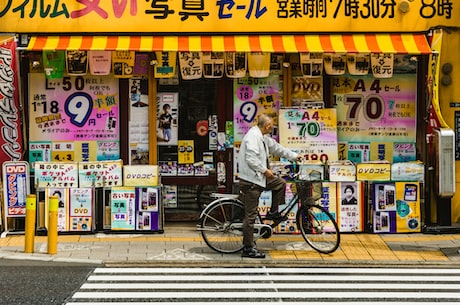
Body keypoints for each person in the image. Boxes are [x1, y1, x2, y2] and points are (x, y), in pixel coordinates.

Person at [238, 114, 300, 258]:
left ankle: (273, 212)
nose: (272, 128)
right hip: (251, 181)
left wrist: (294, 156)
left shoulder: (263, 137)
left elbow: (277, 148)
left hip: (259, 178)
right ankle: (247, 248)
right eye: (271, 126)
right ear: (266, 126)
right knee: (250, 216)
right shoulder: (253, 137)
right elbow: (251, 159)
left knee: (280, 183)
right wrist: (265, 170)